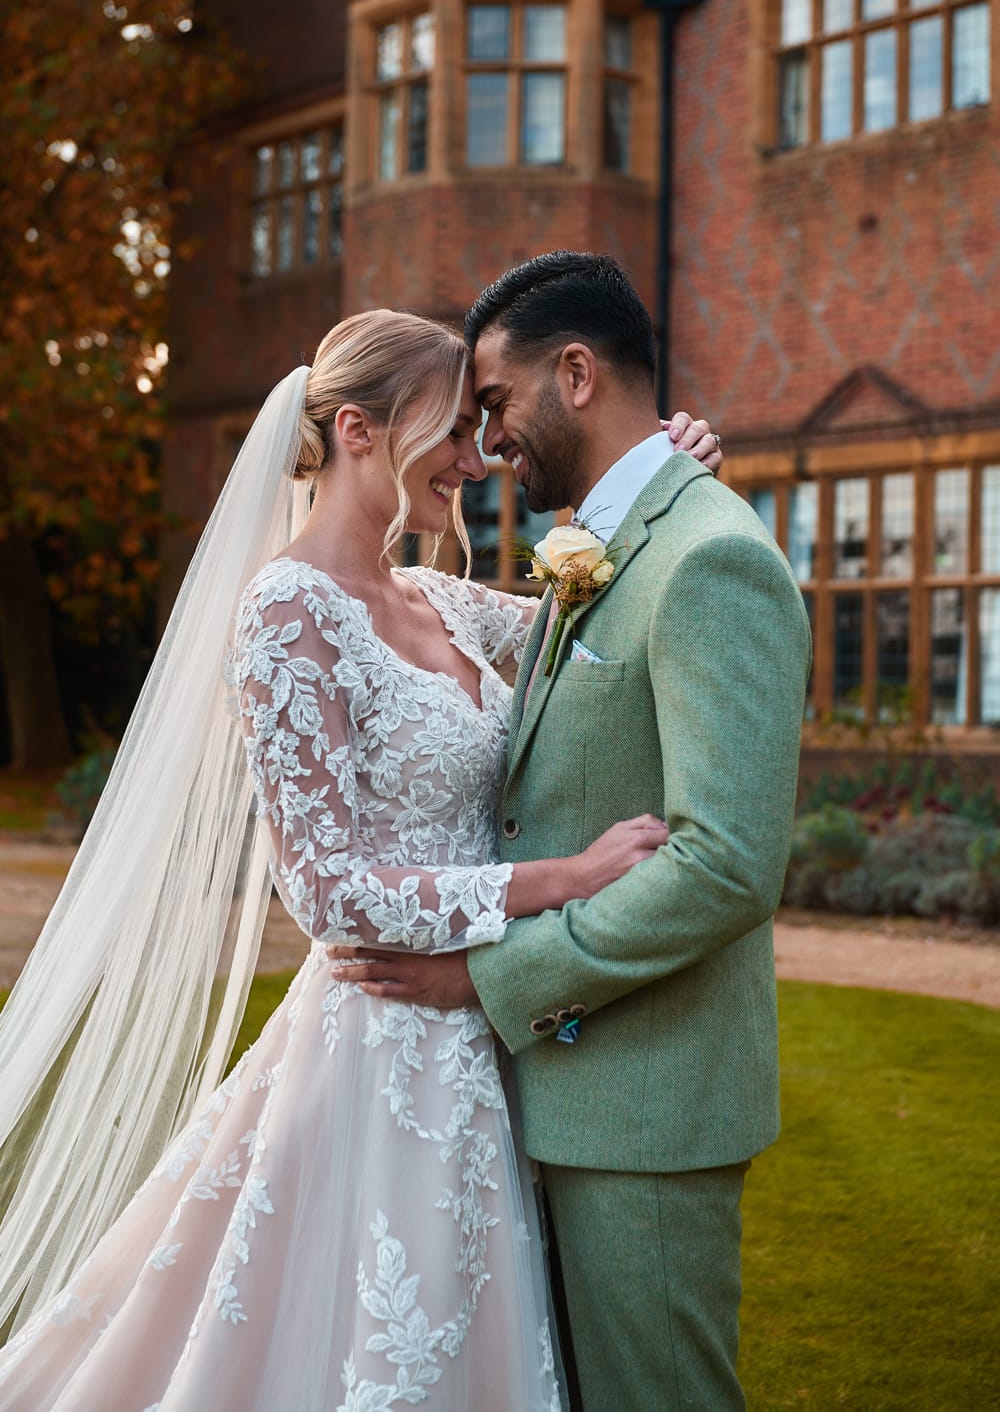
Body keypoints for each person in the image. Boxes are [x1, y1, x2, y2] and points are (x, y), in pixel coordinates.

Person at [0, 306, 723, 1411]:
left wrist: (662, 479)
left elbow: (601, 622)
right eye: (453, 432)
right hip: (385, 1045)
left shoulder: (438, 599)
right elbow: (324, 887)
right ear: (356, 430)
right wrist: (564, 880)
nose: (475, 462)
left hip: (492, 1024)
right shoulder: (286, 610)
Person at [330, 254, 813, 1410]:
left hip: (644, 1113)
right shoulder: (608, 550)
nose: (487, 442)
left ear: (579, 375)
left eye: (496, 403)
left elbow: (724, 866)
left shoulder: (709, 560)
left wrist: (489, 978)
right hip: (556, 1096)